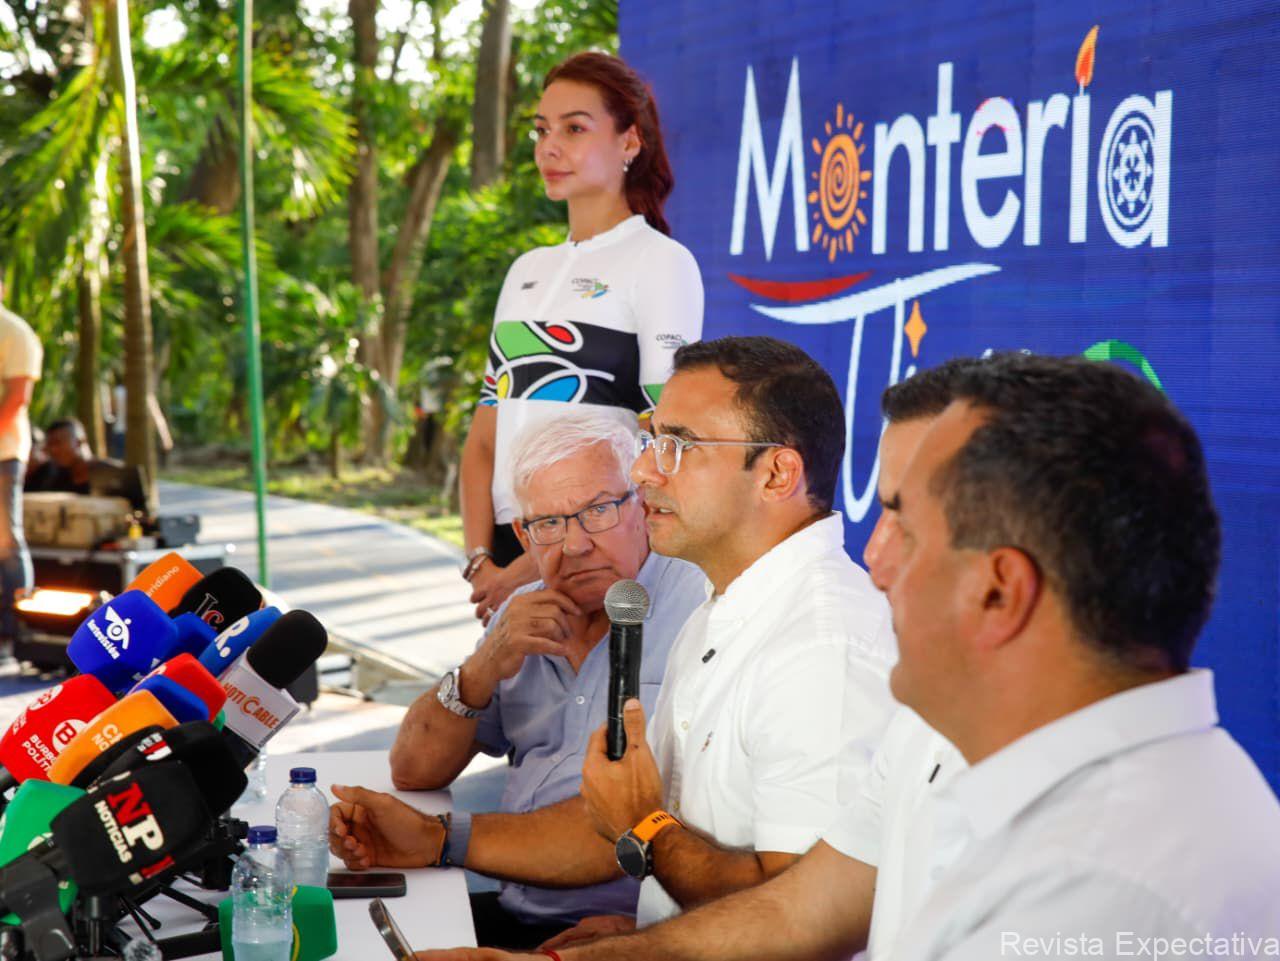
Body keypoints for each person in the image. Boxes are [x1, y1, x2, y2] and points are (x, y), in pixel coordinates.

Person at [413, 352, 1280, 961]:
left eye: (904, 520)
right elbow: (802, 910)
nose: (875, 555)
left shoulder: (1114, 875)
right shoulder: (937, 726)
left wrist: (644, 839)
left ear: (1000, 589)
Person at [332, 336, 894, 941]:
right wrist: (438, 839)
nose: (646, 471)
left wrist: (637, 871)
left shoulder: (820, 649)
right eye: (653, 443)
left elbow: (804, 928)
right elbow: (632, 821)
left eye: (678, 445)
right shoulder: (726, 610)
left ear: (777, 474)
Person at [388, 409, 707, 947]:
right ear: (522, 534)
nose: (575, 544)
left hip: (642, 934)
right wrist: (483, 666)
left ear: (641, 505)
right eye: (549, 524)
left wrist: (437, 838)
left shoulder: (701, 607)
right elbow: (413, 770)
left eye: (598, 511)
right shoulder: (522, 614)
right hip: (516, 914)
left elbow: (628, 823)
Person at [459, 51, 704, 624]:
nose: (549, 147)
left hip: (598, 550)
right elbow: (483, 439)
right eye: (542, 130)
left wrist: (537, 562)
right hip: (509, 552)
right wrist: (480, 563)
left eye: (574, 129)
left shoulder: (660, 262)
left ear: (629, 141)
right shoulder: (525, 269)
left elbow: (662, 440)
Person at [0, 276, 41, 643]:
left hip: (4, 452)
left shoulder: (14, 332)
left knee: (6, 542)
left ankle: (15, 632)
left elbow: (17, 398)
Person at [25, 418, 94, 494]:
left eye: (57, 442)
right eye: (50, 444)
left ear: (80, 442)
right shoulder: (52, 479)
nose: (53, 450)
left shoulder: (102, 475)